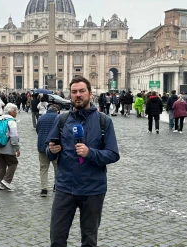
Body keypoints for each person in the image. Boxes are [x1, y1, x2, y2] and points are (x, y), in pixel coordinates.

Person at [46, 76, 120, 246]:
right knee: (57, 238)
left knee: (89, 240)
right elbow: (48, 152)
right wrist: (51, 150)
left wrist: (90, 153)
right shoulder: (61, 120)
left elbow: (113, 154)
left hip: (93, 189)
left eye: (81, 91)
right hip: (65, 187)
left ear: (90, 94)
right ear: (70, 95)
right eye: (74, 92)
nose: (77, 95)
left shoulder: (104, 121)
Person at [0, 103, 20, 191]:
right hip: (8, 146)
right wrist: (17, 147)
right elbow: (14, 136)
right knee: (13, 163)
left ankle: (1, 184)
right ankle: (6, 180)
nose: (16, 113)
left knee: (1, 165)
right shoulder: (11, 121)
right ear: (11, 112)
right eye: (15, 111)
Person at [36, 104, 59, 197]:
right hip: (55, 146)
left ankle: (44, 189)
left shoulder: (41, 118)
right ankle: (56, 186)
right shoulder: (59, 118)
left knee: (43, 168)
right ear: (57, 111)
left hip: (42, 146)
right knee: (57, 167)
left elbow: (38, 130)